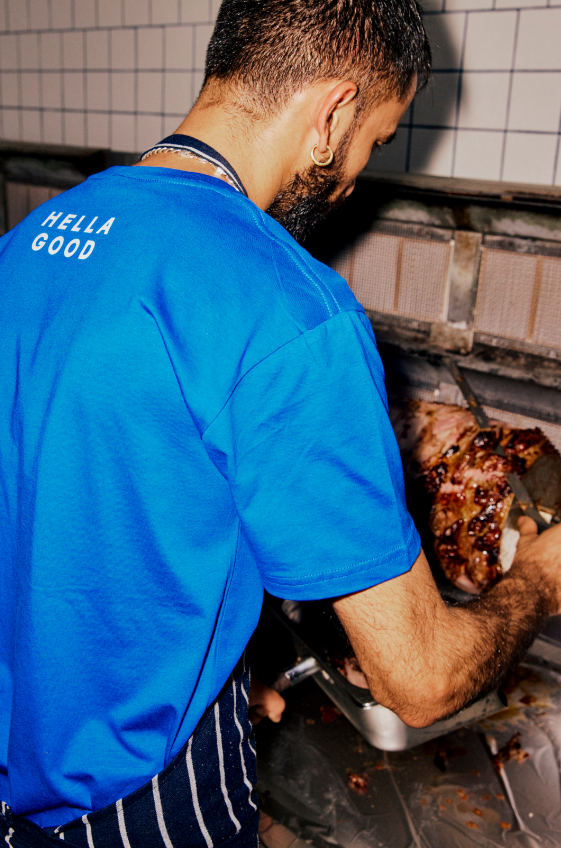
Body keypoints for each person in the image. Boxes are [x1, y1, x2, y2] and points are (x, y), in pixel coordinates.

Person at [0, 0, 560, 845]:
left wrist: (220, 673)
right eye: (373, 142)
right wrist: (544, 579)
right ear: (333, 113)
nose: (352, 179)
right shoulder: (286, 308)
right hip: (126, 795)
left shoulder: (39, 236)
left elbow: (94, 494)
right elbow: (420, 680)